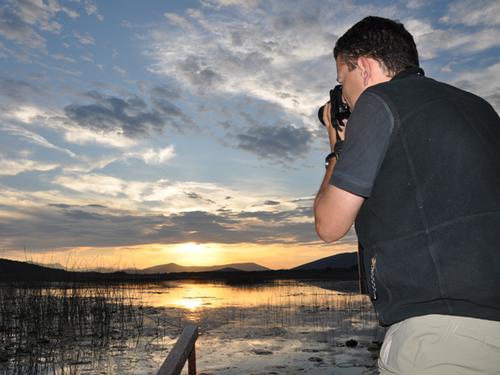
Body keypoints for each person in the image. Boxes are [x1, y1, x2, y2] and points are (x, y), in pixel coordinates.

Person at [314, 16, 500, 374]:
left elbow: (329, 224)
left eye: (343, 81)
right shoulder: (480, 109)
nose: (345, 97)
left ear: (364, 67)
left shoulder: (378, 101)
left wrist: (337, 147)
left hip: (441, 338)